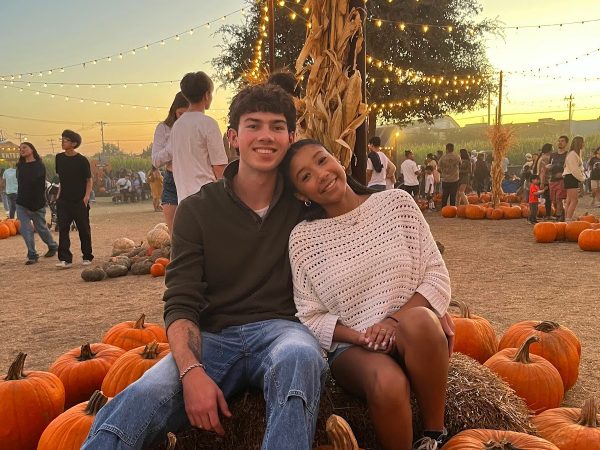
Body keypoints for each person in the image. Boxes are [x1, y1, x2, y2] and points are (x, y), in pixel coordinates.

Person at [82, 84, 326, 450]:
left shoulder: (305, 208)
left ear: (291, 137)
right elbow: (181, 301)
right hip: (212, 338)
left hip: (281, 331)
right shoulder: (197, 210)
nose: (265, 136)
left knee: (301, 357)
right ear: (233, 137)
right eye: (253, 125)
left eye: (277, 127)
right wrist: (192, 372)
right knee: (139, 398)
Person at [282, 139, 453, 450]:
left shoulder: (397, 204)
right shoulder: (303, 240)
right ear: (300, 194)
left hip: (409, 331)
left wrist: (392, 321)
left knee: (422, 322)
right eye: (305, 176)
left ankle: (434, 436)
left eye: (322, 161)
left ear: (339, 160)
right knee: (387, 382)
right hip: (354, 350)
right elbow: (309, 314)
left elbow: (435, 274)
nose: (320, 175)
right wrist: (359, 337)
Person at [167, 72, 229, 202]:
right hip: (207, 198)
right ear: (206, 95)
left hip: (183, 199)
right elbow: (219, 168)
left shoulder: (177, 126)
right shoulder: (208, 124)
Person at [55, 130, 93, 269]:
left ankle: (87, 256)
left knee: (83, 229)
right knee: (63, 229)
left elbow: (89, 180)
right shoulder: (59, 158)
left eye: (66, 140)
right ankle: (65, 259)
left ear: (74, 143)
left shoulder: (82, 160)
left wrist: (86, 197)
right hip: (64, 200)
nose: (63, 141)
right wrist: (58, 195)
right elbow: (61, 179)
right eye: (62, 139)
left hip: (79, 200)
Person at [15, 142, 58, 264]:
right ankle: (32, 254)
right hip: (21, 203)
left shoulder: (39, 165)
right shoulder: (20, 166)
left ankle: (53, 245)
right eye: (20, 149)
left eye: (24, 147)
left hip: (37, 203)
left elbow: (40, 186)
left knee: (41, 228)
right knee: (25, 229)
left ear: (32, 149)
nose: (22, 150)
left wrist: (38, 203)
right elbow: (21, 184)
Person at [152, 92, 189, 234]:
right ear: (174, 110)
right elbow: (155, 160)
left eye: (188, 114)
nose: (183, 119)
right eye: (180, 114)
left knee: (195, 231)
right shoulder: (163, 128)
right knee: (175, 234)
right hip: (172, 180)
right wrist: (174, 144)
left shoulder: (200, 126)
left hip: (195, 180)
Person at [563, 136, 586, 221]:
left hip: (570, 177)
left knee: (569, 200)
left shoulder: (575, 154)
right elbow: (574, 169)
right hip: (571, 177)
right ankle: (568, 219)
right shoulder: (572, 154)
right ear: (579, 143)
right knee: (574, 200)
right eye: (583, 142)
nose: (584, 144)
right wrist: (582, 178)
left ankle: (567, 218)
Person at [547, 135, 569, 221]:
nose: (560, 142)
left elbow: (570, 167)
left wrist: (563, 174)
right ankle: (562, 213)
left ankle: (559, 216)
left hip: (562, 180)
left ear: (566, 143)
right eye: (559, 141)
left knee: (559, 199)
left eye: (562, 141)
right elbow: (550, 166)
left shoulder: (567, 154)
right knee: (554, 201)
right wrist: (549, 168)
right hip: (552, 180)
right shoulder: (553, 155)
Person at [537, 143, 553, 220]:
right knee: (548, 198)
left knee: (544, 198)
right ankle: (548, 215)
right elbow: (543, 171)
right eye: (552, 148)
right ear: (549, 150)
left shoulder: (541, 157)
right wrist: (542, 182)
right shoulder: (546, 158)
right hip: (545, 180)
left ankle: (538, 213)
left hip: (541, 179)